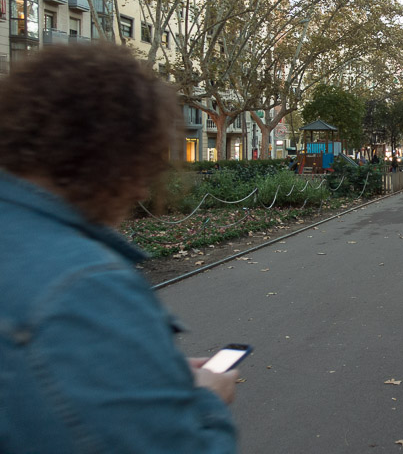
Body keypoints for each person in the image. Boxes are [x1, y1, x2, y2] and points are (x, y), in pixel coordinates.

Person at [0, 44, 238, 452]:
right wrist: (207, 399)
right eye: (146, 162)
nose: (143, 187)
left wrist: (142, 373)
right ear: (114, 155)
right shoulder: (85, 288)